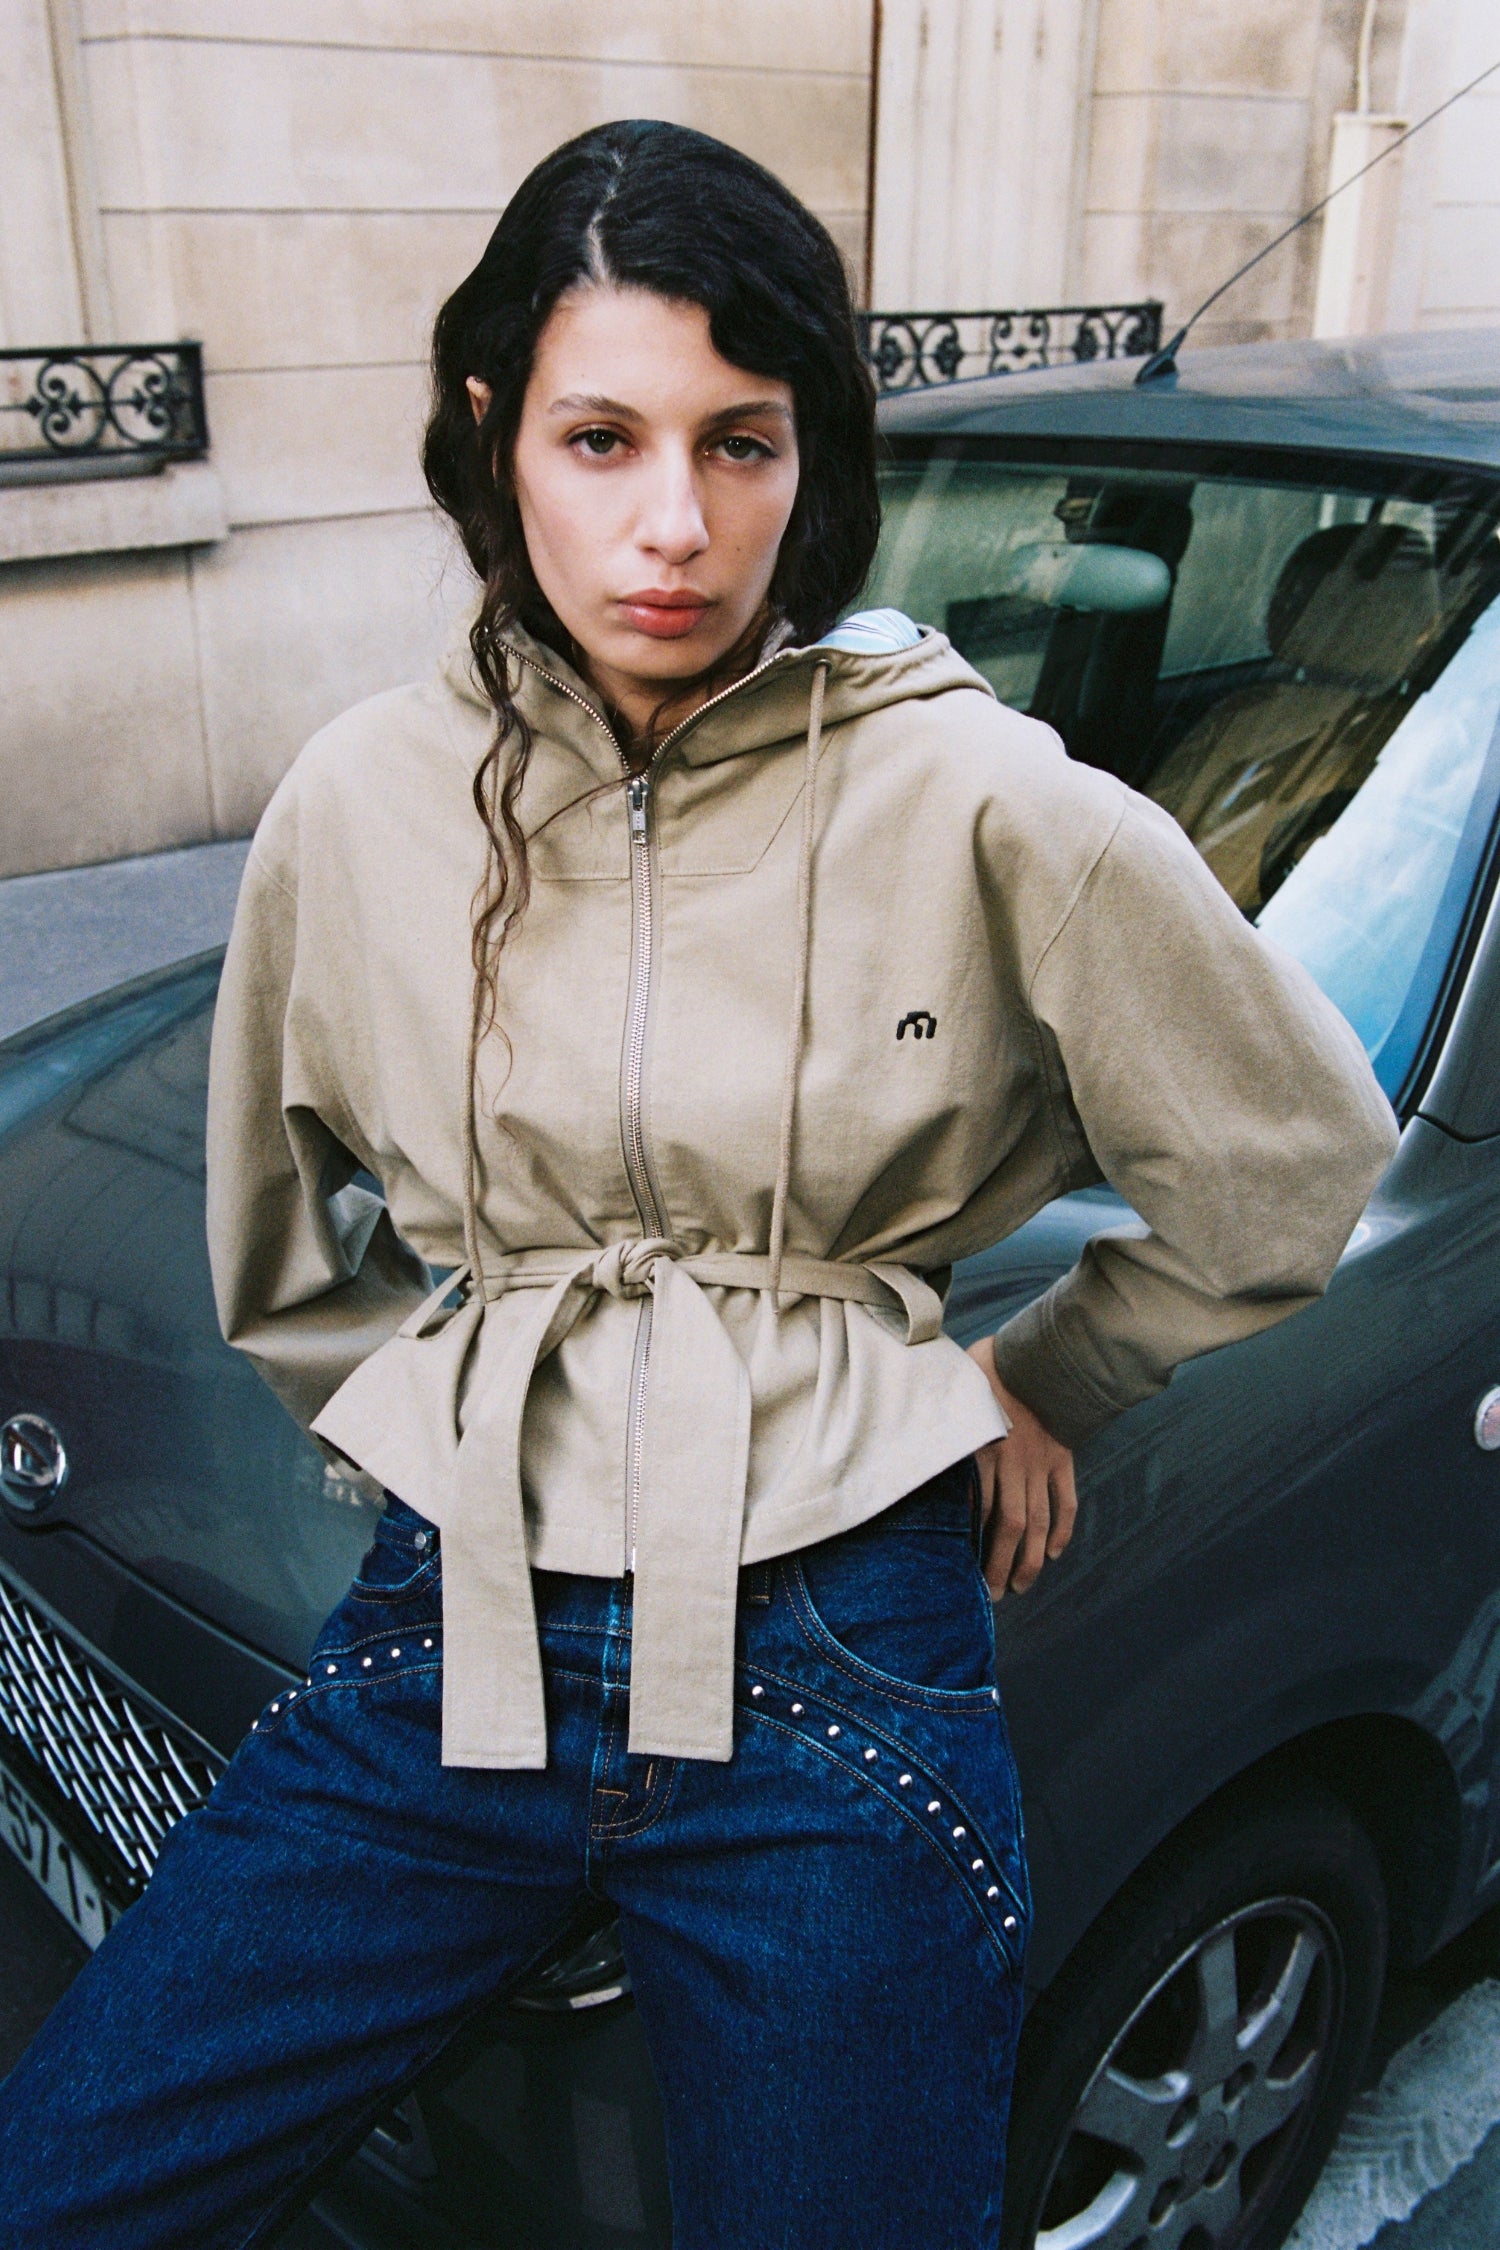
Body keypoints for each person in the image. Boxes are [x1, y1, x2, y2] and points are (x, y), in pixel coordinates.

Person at [0, 119, 1396, 2249]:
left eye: (740, 444)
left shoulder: (981, 795)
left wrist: (1048, 1375)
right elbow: (283, 1251)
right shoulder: (362, 802)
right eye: (602, 439)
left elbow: (1289, 1160)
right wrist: (441, 1434)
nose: (676, 526)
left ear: (807, 455)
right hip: (449, 1650)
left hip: (844, 1653)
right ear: (495, 432)